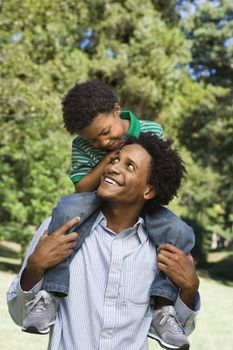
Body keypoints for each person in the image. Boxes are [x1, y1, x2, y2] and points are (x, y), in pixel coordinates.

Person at [7, 134, 200, 350]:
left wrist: (190, 290)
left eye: (130, 166)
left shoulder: (164, 250)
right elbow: (18, 315)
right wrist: (35, 268)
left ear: (149, 190)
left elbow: (178, 331)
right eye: (116, 159)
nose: (113, 168)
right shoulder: (58, 231)